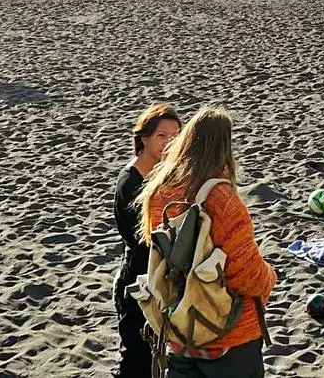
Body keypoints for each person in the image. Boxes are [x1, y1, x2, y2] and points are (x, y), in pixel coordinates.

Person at [137, 107, 276, 376]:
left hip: (179, 328)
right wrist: (270, 277)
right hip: (227, 335)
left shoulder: (159, 191)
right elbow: (245, 274)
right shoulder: (222, 198)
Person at [114, 103, 181, 378]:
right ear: (144, 138)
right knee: (136, 361)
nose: (169, 143)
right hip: (138, 282)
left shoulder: (167, 172)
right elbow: (140, 239)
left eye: (175, 136)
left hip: (161, 279)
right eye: (161, 136)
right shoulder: (130, 181)